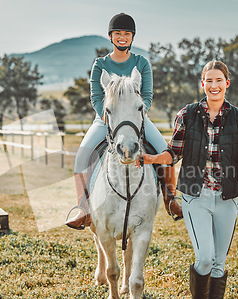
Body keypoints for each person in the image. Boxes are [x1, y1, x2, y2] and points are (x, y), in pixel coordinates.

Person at [136, 60, 238, 299]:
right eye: (209, 81)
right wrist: (152, 159)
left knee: (219, 263)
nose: (214, 86)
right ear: (202, 84)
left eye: (219, 81)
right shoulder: (187, 115)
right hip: (196, 196)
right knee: (204, 258)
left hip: (227, 199)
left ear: (227, 84)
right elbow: (173, 152)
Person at [65, 12, 182, 230]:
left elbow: (147, 95)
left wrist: (137, 115)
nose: (122, 37)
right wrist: (105, 116)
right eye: (117, 33)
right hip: (106, 120)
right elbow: (96, 97)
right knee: (81, 157)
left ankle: (170, 199)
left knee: (165, 152)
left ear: (132, 37)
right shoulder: (100, 64)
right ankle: (83, 208)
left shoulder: (142, 63)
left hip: (137, 120)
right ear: (110, 36)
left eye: (126, 33)